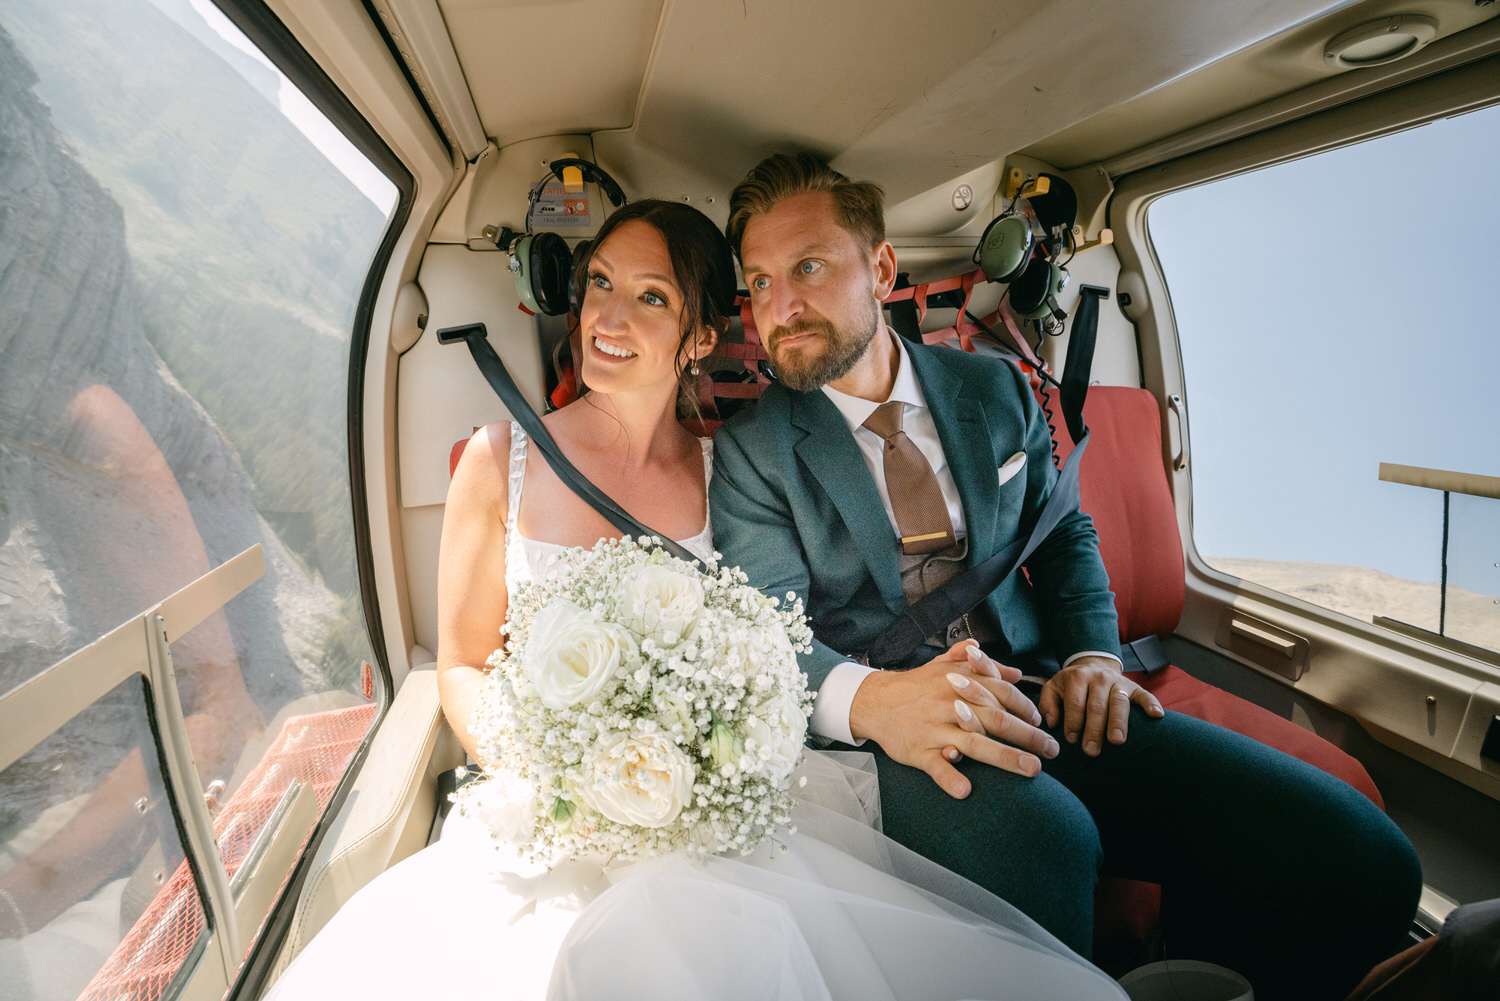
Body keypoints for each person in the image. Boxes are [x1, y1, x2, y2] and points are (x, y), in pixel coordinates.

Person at [262, 199, 1128, 1000]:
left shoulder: (735, 477)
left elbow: (773, 641)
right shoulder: (498, 462)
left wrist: (701, 767)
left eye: (649, 297)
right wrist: (557, 770)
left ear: (699, 337)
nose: (606, 318)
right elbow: (460, 663)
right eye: (599, 283)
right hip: (547, 802)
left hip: (707, 798)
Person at [709, 153, 1423, 1001]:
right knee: (1051, 843)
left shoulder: (995, 386)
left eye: (809, 268)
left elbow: (1065, 534)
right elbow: (766, 632)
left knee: (1364, 861)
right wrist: (874, 703)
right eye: (758, 283)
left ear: (883, 268)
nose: (778, 308)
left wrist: (1094, 655)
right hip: (905, 740)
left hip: (1048, 691)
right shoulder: (753, 450)